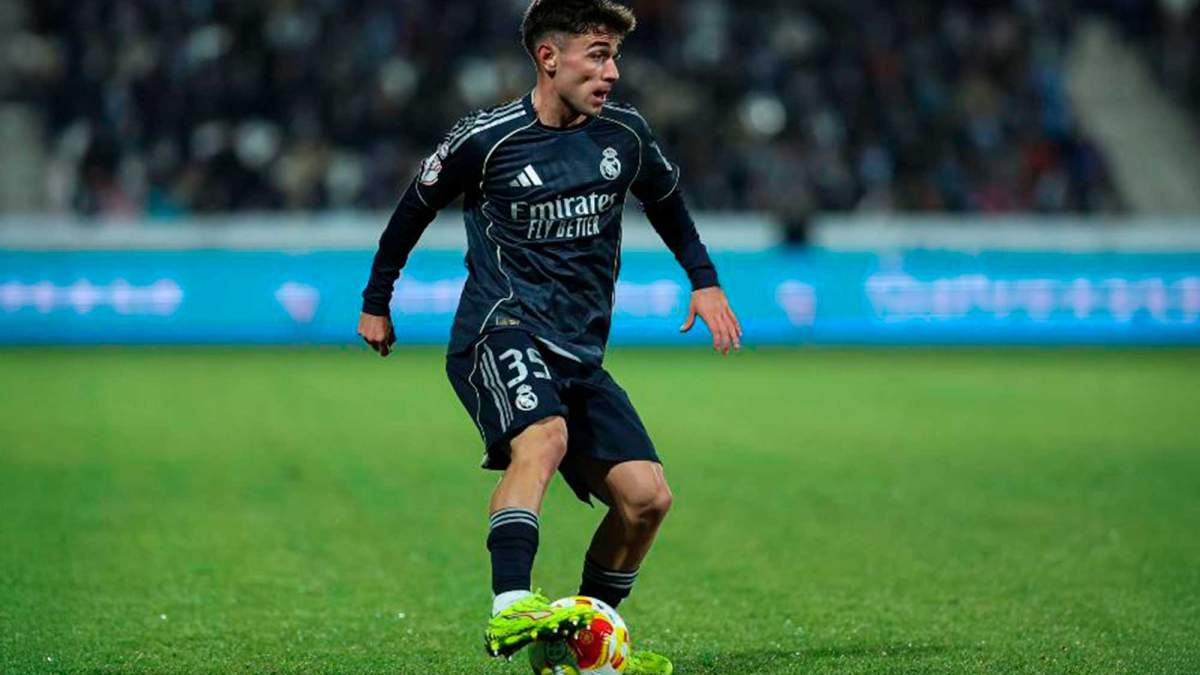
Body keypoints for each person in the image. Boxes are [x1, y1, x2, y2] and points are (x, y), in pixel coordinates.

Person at [358, 1, 741, 671]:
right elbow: (413, 209)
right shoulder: (488, 138)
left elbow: (668, 202)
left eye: (615, 56)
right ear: (549, 57)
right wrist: (376, 301)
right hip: (498, 328)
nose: (612, 72)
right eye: (598, 54)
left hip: (580, 354)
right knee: (544, 437)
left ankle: (583, 642)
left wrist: (703, 280)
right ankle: (511, 607)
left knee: (648, 500)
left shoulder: (624, 135)